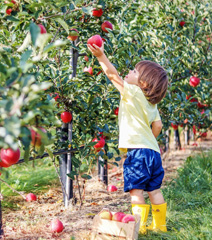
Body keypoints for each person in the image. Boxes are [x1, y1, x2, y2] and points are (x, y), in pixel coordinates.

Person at [88, 42, 169, 234]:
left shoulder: (133, 93)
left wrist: (101, 56)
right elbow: (158, 126)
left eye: (134, 71)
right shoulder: (152, 104)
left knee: (136, 192)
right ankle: (160, 226)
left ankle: (138, 228)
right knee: (154, 190)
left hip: (138, 153)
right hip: (153, 153)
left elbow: (112, 75)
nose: (129, 72)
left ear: (144, 84)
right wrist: (150, 140)